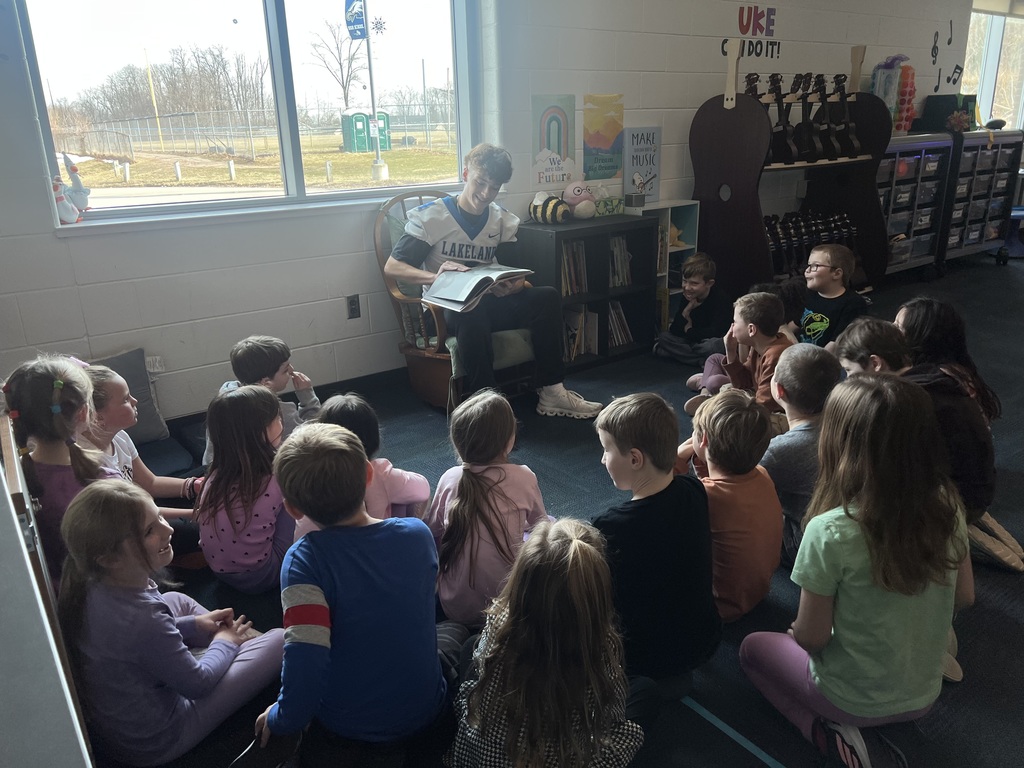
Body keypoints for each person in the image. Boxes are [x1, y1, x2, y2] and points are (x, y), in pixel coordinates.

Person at [739, 375, 974, 768]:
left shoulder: (830, 530)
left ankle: (825, 731)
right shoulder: (948, 502)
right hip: (925, 696)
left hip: (846, 699)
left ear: (838, 442)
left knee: (750, 651)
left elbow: (812, 638)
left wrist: (796, 632)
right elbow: (965, 597)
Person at [248, 423, 458, 767]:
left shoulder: (303, 563)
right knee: (453, 635)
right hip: (428, 714)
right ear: (367, 475)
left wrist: (279, 718)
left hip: (349, 730)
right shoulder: (417, 534)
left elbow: (305, 661)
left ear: (293, 509)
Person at [58, 480, 284, 767]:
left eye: (160, 517)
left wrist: (192, 626)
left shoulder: (91, 580)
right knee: (279, 640)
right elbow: (197, 684)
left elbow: (140, 639)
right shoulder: (143, 619)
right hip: (164, 736)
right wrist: (223, 644)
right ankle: (242, 648)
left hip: (134, 706)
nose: (169, 529)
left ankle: (239, 648)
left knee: (176, 598)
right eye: (150, 531)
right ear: (110, 558)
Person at [383, 142, 602, 418]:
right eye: (480, 182)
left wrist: (514, 285)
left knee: (546, 296)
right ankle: (487, 407)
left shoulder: (499, 219)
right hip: (445, 310)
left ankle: (552, 391)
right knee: (471, 312)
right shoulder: (434, 217)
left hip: (489, 301)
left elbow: (514, 271)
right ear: (465, 174)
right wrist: (434, 275)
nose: (486, 193)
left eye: (494, 187)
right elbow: (393, 267)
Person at [448, 519, 643, 768]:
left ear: (521, 581)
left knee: (470, 647)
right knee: (645, 693)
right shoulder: (600, 646)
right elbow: (610, 718)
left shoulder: (499, 625)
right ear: (595, 593)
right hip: (565, 756)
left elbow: (480, 677)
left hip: (485, 759)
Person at [591, 393, 721, 704]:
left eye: (606, 450)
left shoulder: (608, 526)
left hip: (644, 659)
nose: (602, 459)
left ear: (635, 459)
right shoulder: (693, 490)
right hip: (705, 639)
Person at [894, 297, 1021, 565]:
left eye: (898, 326)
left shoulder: (931, 384)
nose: (891, 330)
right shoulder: (953, 370)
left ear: (921, 336)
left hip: (956, 492)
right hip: (976, 478)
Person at [425, 389, 549, 626]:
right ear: (509, 441)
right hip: (506, 606)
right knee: (550, 524)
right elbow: (541, 530)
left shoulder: (449, 479)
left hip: (453, 605)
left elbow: (433, 532)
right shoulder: (524, 477)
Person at [3, 355, 121, 584]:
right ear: (83, 413)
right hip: (109, 589)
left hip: (59, 594)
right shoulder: (101, 479)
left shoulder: (15, 476)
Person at [80, 364, 205, 561]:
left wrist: (196, 486)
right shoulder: (92, 465)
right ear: (97, 417)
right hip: (133, 525)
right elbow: (135, 514)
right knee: (201, 529)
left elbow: (150, 483)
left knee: (210, 472)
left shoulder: (119, 436)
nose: (135, 401)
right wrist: (195, 514)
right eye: (125, 399)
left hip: (143, 504)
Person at [689, 389, 782, 621]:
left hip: (717, 607)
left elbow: (662, 493)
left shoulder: (703, 495)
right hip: (758, 592)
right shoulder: (762, 473)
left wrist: (677, 458)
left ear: (704, 440)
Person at [194, 385, 296, 593]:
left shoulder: (216, 473)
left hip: (219, 572)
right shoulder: (277, 476)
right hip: (265, 574)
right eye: (277, 417)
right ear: (261, 430)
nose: (281, 421)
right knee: (298, 497)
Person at [293, 393, 430, 541]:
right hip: (374, 544)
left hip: (318, 553)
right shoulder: (380, 472)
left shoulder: (306, 475)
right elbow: (422, 490)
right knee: (405, 500)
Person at [759, 345, 844, 567]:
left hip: (805, 544)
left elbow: (744, 492)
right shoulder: (847, 425)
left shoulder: (778, 451)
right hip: (846, 531)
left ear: (779, 390)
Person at [202, 335, 321, 465]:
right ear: (265, 382)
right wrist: (307, 397)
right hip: (258, 475)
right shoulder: (276, 411)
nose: (292, 370)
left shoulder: (225, 397)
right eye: (286, 369)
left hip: (215, 470)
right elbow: (312, 434)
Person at [684, 292, 793, 418]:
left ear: (751, 330)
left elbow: (764, 406)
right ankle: (710, 400)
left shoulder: (775, 356)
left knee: (728, 396)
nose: (732, 326)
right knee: (728, 390)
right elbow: (743, 383)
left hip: (776, 414)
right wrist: (730, 351)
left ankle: (710, 404)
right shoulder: (759, 346)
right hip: (758, 398)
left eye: (735, 322)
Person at [652, 252, 732, 367]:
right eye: (685, 281)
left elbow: (715, 331)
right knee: (664, 337)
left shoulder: (720, 299)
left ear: (709, 283)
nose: (687, 287)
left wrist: (689, 331)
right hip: (691, 341)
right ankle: (702, 361)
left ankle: (676, 354)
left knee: (713, 346)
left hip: (707, 340)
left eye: (694, 283)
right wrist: (686, 312)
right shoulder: (688, 296)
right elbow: (675, 330)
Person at [798, 243, 868, 351]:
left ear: (836, 274)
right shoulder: (809, 295)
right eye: (808, 265)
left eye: (815, 266)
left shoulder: (853, 304)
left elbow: (835, 345)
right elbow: (794, 324)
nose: (807, 270)